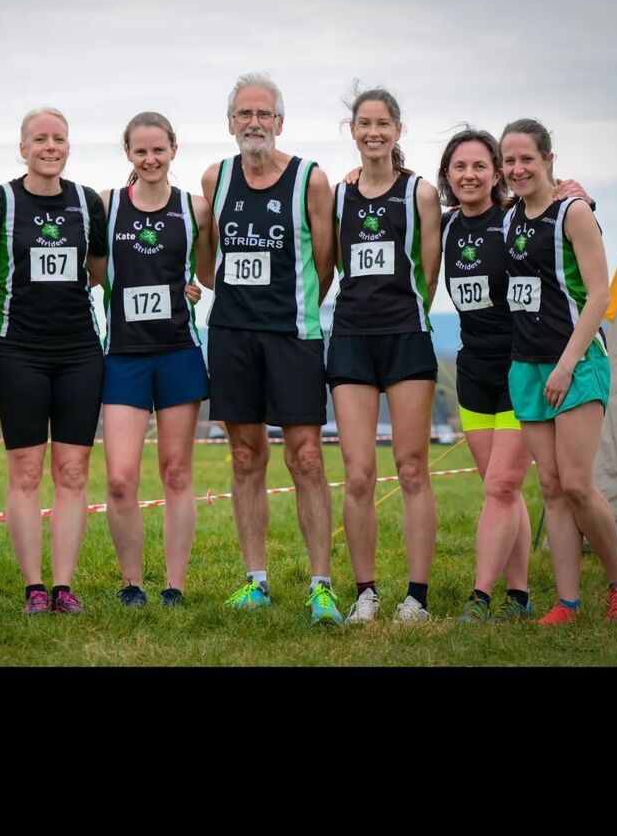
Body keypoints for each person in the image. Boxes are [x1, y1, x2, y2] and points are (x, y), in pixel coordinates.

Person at [201, 72, 341, 625]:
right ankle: (255, 581)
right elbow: (205, 259)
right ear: (231, 122)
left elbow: (325, 263)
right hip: (232, 333)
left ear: (280, 122)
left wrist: (294, 305)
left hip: (294, 334)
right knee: (243, 457)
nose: (253, 123)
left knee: (306, 455)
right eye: (244, 114)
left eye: (263, 114)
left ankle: (321, 586)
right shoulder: (216, 177)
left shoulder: (311, 178)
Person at [438, 128, 591, 623]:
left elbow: (566, 223)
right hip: (472, 371)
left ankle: (480, 598)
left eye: (480, 166)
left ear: (497, 173)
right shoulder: (443, 227)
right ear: (447, 175)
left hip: (521, 366)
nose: (470, 175)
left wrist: (580, 193)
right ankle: (519, 595)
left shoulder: (515, 219)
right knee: (498, 489)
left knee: (502, 485)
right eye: (459, 167)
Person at [501, 118, 617, 624]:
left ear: (549, 160)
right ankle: (568, 602)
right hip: (527, 366)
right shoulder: (510, 216)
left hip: (577, 365)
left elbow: (599, 295)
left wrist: (565, 365)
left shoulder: (574, 212)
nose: (518, 169)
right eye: (509, 161)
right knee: (553, 488)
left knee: (578, 484)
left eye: (527, 160)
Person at [0, 107, 107, 615]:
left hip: (79, 352)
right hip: (18, 351)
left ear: (68, 146)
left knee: (72, 472)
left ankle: (63, 587)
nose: (49, 147)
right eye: (39, 139)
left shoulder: (85, 201)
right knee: (26, 473)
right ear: (23, 148)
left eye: (58, 139)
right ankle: (33, 588)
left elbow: (96, 268)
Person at [328, 87, 442, 624]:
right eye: (364, 123)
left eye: (383, 123)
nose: (373, 132)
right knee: (357, 475)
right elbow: (325, 266)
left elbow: (431, 275)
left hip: (405, 338)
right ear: (352, 131)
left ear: (398, 130)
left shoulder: (420, 193)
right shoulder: (337, 194)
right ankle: (366, 593)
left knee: (413, 468)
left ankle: (416, 596)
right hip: (350, 338)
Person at [99, 111, 215, 608]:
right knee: (121, 478)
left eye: (158, 150)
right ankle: (131, 584)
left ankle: (174, 585)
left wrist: (193, 289)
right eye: (140, 151)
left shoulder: (195, 209)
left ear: (173, 150)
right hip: (123, 356)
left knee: (176, 473)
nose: (149, 159)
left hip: (177, 353)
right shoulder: (105, 205)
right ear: (128, 153)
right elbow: (86, 267)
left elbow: (208, 271)